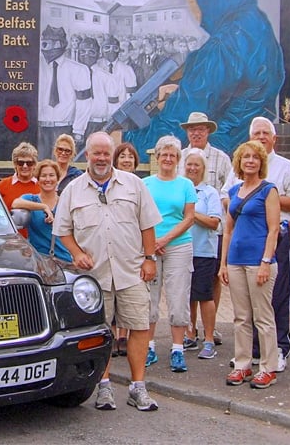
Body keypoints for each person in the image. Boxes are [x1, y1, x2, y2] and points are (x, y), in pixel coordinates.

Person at [125, 0, 285, 156]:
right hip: (242, 155)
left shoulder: (222, 46)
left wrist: (126, 141)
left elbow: (178, 125)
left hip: (213, 160)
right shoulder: (259, 26)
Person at [54, 132, 161, 412]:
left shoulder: (133, 184)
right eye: (96, 153)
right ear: (86, 155)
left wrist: (150, 258)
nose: (101, 158)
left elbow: (148, 224)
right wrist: (77, 253)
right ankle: (104, 387)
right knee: (102, 332)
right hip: (95, 278)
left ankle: (138, 388)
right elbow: (62, 230)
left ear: (111, 155)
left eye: (105, 153)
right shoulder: (73, 190)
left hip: (132, 271)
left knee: (139, 327)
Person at [221, 117, 290, 371]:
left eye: (265, 132)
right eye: (256, 132)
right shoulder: (239, 172)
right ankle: (249, 355)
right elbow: (226, 198)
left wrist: (268, 201)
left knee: (274, 298)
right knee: (243, 309)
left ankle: (278, 350)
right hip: (241, 243)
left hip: (273, 238)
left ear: (274, 138)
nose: (261, 136)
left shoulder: (286, 168)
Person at [219, 140, 280, 390]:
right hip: (235, 261)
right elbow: (229, 230)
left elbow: (274, 229)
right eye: (246, 157)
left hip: (258, 262)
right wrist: (223, 264)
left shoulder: (269, 190)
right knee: (241, 317)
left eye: (255, 157)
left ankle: (268, 368)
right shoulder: (233, 192)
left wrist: (266, 261)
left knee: (263, 317)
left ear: (261, 162)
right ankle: (242, 364)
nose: (251, 161)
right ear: (239, 162)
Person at [142, 136, 197, 373]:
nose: (167, 159)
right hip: (150, 246)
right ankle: (149, 347)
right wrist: (152, 243)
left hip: (178, 245)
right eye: (164, 154)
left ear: (178, 159)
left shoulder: (186, 185)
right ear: (157, 156)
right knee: (149, 297)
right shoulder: (145, 184)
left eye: (172, 155)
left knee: (178, 297)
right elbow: (140, 216)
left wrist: (165, 239)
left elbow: (189, 217)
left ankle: (177, 349)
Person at [179, 111, 232, 346]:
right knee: (187, 286)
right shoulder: (180, 157)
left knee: (211, 282)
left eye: (200, 128)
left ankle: (210, 328)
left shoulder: (221, 158)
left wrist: (205, 210)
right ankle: (189, 330)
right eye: (192, 129)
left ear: (208, 131)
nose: (196, 132)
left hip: (211, 234)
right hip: (182, 235)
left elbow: (228, 191)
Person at [182, 148, 223, 360]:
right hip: (182, 250)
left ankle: (208, 339)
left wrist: (192, 214)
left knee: (205, 296)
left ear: (203, 168)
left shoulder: (210, 193)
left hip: (204, 252)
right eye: (189, 164)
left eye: (197, 164)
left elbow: (214, 222)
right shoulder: (180, 189)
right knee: (188, 296)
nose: (192, 168)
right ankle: (190, 334)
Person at [37, 25, 91, 156]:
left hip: (65, 127)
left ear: (62, 44)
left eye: (54, 43)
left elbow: (84, 103)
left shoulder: (78, 70)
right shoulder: (36, 66)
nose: (49, 48)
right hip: (39, 128)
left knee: (61, 167)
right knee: (40, 167)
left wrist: (78, 130)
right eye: (45, 44)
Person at [110, 141, 140, 356]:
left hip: (131, 247)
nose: (126, 160)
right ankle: (112, 337)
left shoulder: (141, 185)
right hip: (110, 247)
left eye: (130, 156)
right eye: (122, 156)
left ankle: (125, 336)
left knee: (128, 293)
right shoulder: (107, 183)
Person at [11, 160, 73, 263]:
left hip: (65, 260)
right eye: (43, 176)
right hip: (39, 261)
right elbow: (16, 203)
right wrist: (43, 207)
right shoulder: (31, 199)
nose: (48, 179)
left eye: (51, 175)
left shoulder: (66, 202)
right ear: (38, 179)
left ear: (57, 179)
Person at [0, 142, 41, 235]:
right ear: (15, 164)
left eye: (29, 163)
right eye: (21, 163)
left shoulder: (41, 187)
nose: (25, 166)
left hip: (37, 242)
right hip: (10, 239)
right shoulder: (2, 186)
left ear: (34, 165)